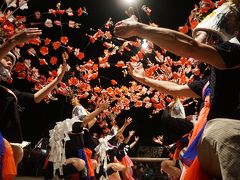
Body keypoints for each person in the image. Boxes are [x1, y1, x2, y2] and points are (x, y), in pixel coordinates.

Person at [114, 1, 240, 179]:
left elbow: (190, 47)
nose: (210, 41)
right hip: (213, 141)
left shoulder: (236, 51)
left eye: (213, 37)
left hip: (231, 133)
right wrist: (144, 79)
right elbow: (176, 88)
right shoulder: (211, 80)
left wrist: (140, 29)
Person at [0, 27, 68, 178]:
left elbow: (36, 97)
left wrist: (57, 80)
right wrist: (14, 41)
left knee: (16, 151)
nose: (10, 63)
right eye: (6, 58)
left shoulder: (11, 92)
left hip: (6, 139)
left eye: (12, 61)